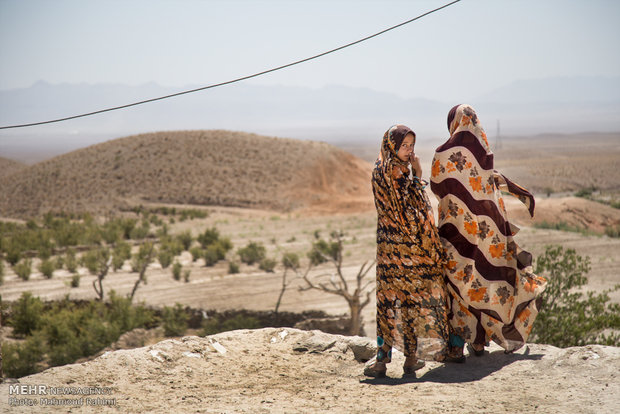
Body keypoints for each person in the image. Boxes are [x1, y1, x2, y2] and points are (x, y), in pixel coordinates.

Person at [430, 104, 547, 358]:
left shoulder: (442, 154)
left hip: (455, 234)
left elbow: (436, 186)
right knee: (483, 282)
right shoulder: (485, 156)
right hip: (486, 234)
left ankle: (456, 344)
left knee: (457, 284)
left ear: (452, 123)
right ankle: (480, 342)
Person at [365, 124, 450, 378]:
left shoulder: (378, 169)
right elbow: (415, 208)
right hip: (407, 251)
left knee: (387, 303)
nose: (409, 150)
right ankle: (411, 359)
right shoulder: (399, 174)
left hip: (387, 251)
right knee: (410, 302)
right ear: (393, 145)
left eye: (411, 146)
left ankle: (381, 362)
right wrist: (418, 175)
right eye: (404, 146)